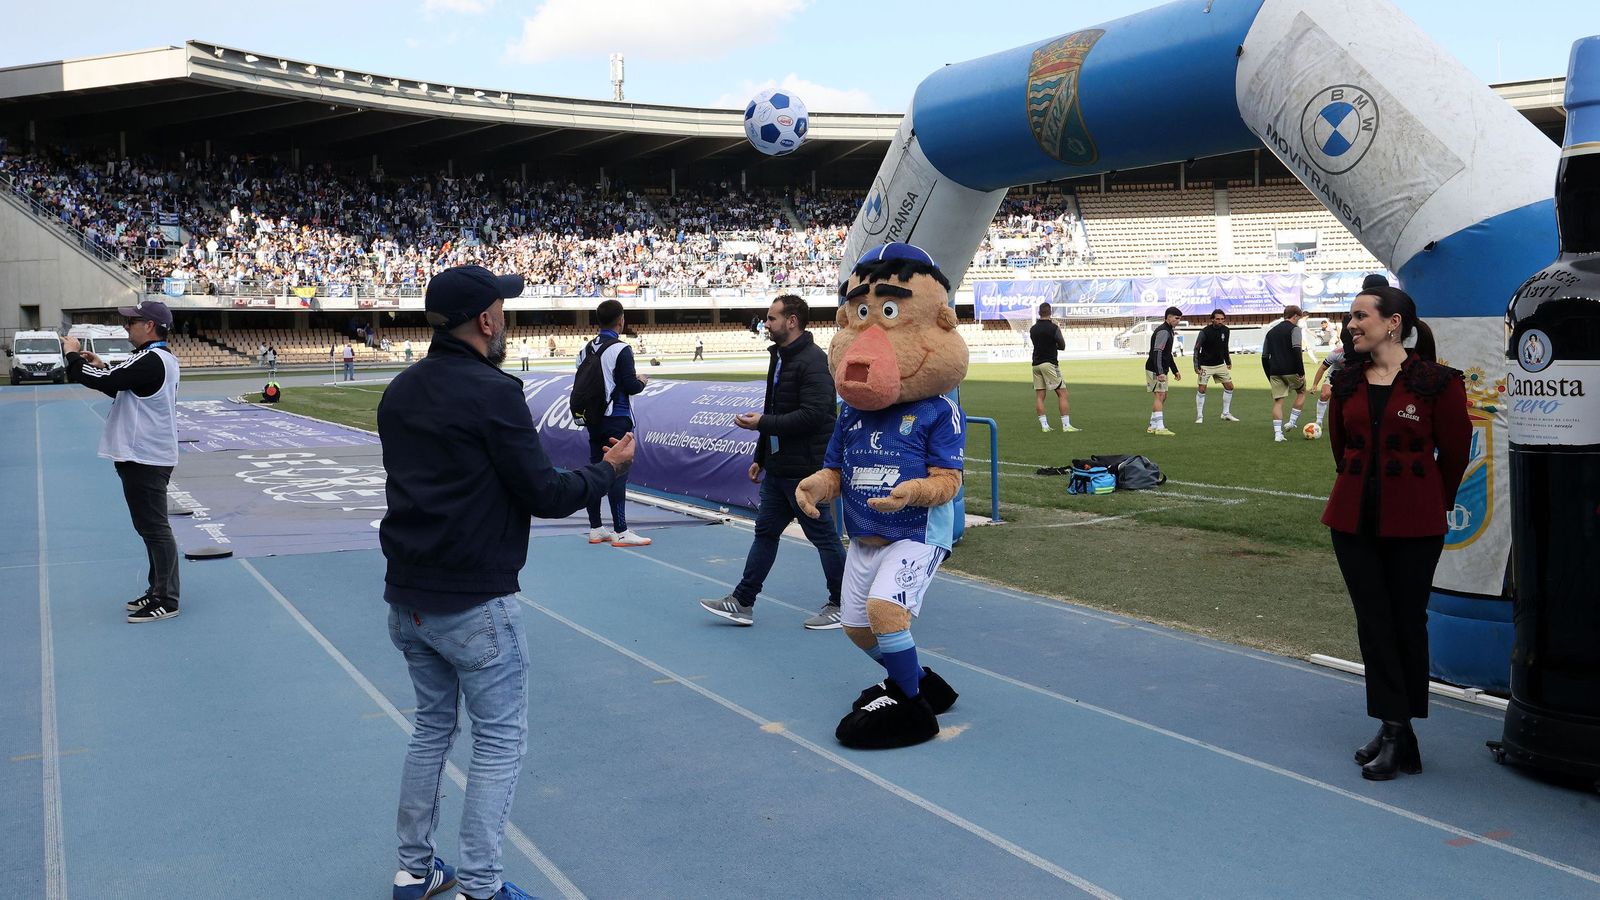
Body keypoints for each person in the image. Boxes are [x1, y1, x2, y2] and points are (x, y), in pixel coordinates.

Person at [380, 265, 634, 900]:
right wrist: (607, 470)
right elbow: (546, 493)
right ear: (486, 321)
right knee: (498, 741)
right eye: (503, 311)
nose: (506, 323)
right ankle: (482, 886)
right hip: (474, 601)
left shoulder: (400, 390)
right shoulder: (494, 393)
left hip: (408, 597)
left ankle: (415, 871)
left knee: (431, 730)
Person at [1321, 285, 1468, 781]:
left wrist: (1431, 506)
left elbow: (1454, 453)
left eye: (1360, 315)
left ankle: (1396, 730)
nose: (1351, 324)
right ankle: (1395, 729)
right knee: (1373, 622)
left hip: (1415, 523)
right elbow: (1341, 451)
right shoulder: (1345, 381)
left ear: (1393, 323)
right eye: (1350, 316)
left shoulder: (1439, 383)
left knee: (1407, 622)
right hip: (1353, 520)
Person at [699, 295, 847, 629]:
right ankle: (742, 601)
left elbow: (813, 416)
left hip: (806, 471)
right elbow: (774, 408)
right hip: (779, 467)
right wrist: (761, 456)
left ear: (791, 320)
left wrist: (762, 424)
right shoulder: (780, 357)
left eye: (771, 318)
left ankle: (843, 604)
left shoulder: (814, 361)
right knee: (765, 533)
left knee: (823, 537)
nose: (765, 324)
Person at [62, 299, 183, 623]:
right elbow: (122, 386)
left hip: (144, 455)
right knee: (148, 527)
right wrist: (102, 367)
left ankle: (166, 599)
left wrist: (73, 355)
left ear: (149, 326)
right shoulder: (158, 359)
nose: (126, 326)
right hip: (146, 453)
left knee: (154, 528)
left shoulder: (151, 360)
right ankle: (157, 589)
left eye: (132, 322)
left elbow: (106, 382)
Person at [577, 299, 651, 547]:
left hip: (593, 419)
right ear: (621, 320)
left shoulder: (584, 350)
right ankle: (621, 531)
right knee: (618, 473)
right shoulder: (621, 349)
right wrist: (642, 380)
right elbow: (630, 386)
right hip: (616, 418)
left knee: (596, 470)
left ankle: (596, 527)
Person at [1029, 302, 1080, 433]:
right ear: (1050, 312)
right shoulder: (1054, 328)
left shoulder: (1033, 329)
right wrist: (1053, 346)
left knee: (1040, 396)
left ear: (1039, 313)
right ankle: (1066, 425)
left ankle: (1044, 426)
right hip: (1049, 364)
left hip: (1036, 364)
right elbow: (1062, 345)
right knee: (1063, 393)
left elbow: (1037, 344)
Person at [1262, 305, 1308, 442]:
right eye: (1298, 318)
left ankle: (1278, 434)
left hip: (1274, 371)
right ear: (1295, 316)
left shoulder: (1270, 333)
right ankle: (1292, 422)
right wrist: (1301, 372)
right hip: (1292, 370)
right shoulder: (1295, 330)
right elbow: (1296, 351)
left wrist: (1268, 374)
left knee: (1278, 402)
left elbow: (1264, 356)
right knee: (1301, 392)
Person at [1192, 308, 1240, 424]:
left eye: (1222, 319)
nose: (1220, 321)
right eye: (1217, 319)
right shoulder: (1204, 332)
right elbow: (1197, 348)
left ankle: (1225, 413)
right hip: (1205, 365)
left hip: (1220, 364)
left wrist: (1228, 361)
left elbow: (1225, 347)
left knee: (1229, 387)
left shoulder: (1226, 330)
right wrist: (1196, 365)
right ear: (1212, 319)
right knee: (1202, 389)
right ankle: (1199, 415)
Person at [1310, 316, 1354, 429]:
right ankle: (1319, 421)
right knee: (1325, 394)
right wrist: (1315, 385)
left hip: (1353, 375)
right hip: (1335, 374)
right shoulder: (1337, 353)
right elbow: (1322, 368)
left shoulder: (1363, 352)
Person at [1144, 307, 1182, 435]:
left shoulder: (1169, 330)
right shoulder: (1164, 331)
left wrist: (1174, 370)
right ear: (1169, 317)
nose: (1178, 321)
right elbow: (1157, 352)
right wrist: (1160, 372)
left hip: (1161, 368)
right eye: (1176, 318)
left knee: (1163, 396)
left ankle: (1152, 425)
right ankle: (1159, 428)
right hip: (1155, 368)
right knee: (1160, 395)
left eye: (1179, 318)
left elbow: (1167, 353)